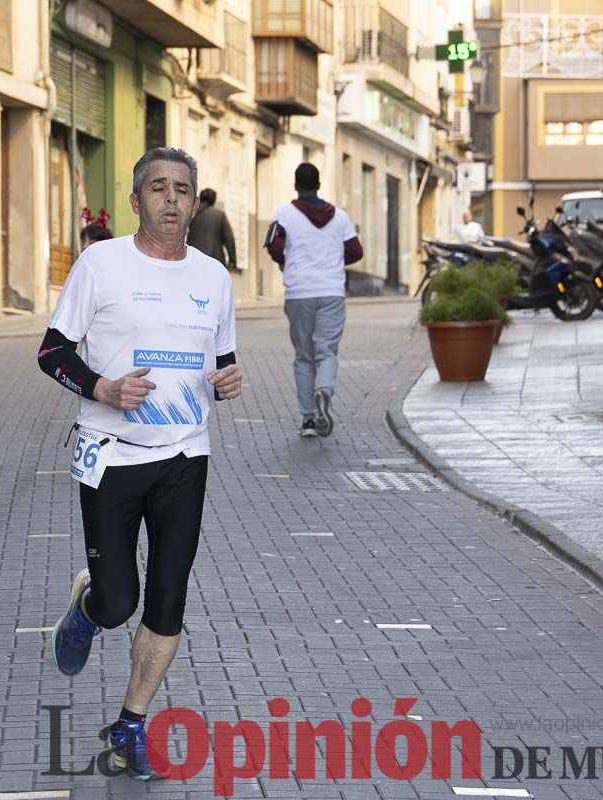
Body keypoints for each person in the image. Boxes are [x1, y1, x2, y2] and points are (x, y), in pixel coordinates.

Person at [36, 147, 242, 781]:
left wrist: (228, 381)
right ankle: (88, 609)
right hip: (111, 453)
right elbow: (52, 352)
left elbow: (222, 358)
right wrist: (102, 388)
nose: (172, 199)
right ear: (136, 201)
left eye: (182, 189)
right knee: (121, 600)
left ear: (194, 200)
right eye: (159, 188)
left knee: (168, 598)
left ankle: (131, 723)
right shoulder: (100, 264)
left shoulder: (213, 277)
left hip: (186, 454)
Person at [265, 162, 363, 438]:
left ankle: (308, 419)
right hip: (331, 292)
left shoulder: (284, 215)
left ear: (296, 185)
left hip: (299, 293)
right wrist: (331, 257)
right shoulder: (340, 217)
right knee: (327, 351)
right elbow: (355, 251)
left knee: (304, 357)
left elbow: (274, 245)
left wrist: (288, 261)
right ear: (319, 185)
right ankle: (325, 390)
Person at [186, 188, 237, 270]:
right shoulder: (220, 215)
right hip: (215, 261)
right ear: (214, 200)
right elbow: (229, 238)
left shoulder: (191, 215)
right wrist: (232, 260)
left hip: (194, 262)